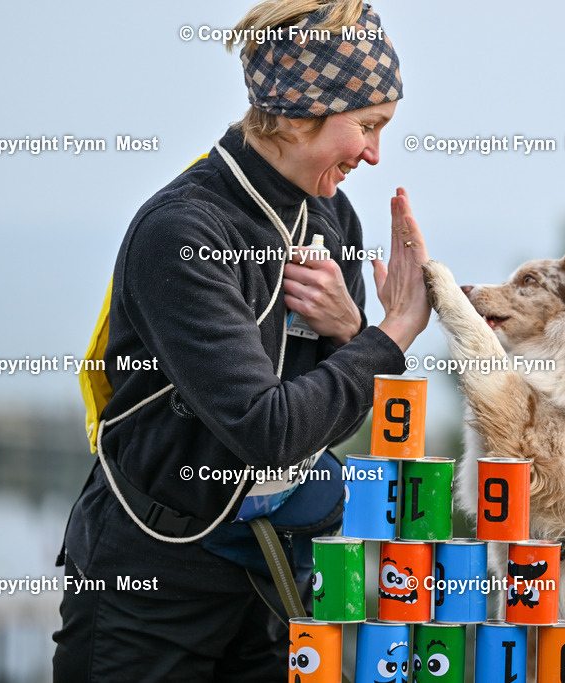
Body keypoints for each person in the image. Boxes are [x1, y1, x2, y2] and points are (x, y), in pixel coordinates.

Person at [52, 1, 430, 679]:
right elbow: (268, 428)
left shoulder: (331, 215)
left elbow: (329, 413)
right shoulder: (183, 233)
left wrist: (354, 332)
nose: (375, 154)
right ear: (294, 113)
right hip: (152, 578)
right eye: (367, 127)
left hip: (273, 574)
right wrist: (391, 333)